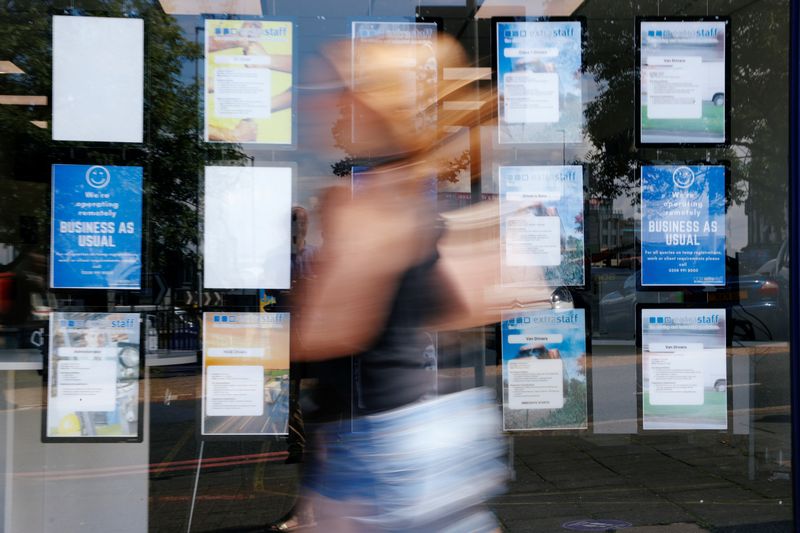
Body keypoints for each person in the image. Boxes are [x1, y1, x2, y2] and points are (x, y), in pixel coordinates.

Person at [287, 34, 555, 532]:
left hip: (373, 445)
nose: (331, 102)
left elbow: (330, 332)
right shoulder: (418, 198)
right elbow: (467, 306)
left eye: (344, 88)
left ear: (372, 103)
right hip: (429, 435)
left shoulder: (365, 205)